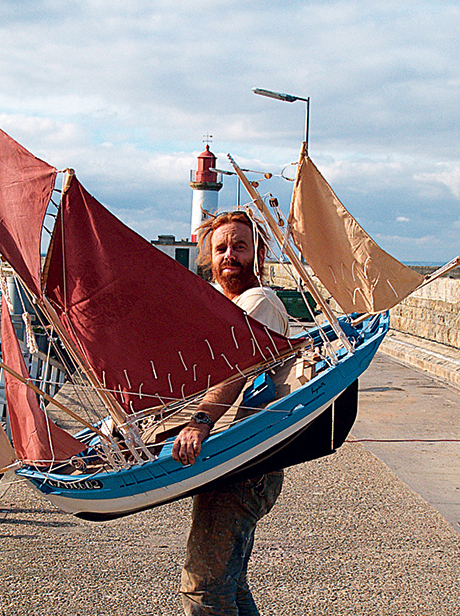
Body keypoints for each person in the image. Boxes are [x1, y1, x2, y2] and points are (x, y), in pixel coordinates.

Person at [171, 210, 289, 616]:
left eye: (240, 246)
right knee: (229, 586)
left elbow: (237, 371)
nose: (229, 255)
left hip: (244, 465)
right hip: (234, 461)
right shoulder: (225, 305)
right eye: (220, 248)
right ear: (208, 255)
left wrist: (201, 422)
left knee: (204, 589)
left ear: (257, 253)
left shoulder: (258, 302)